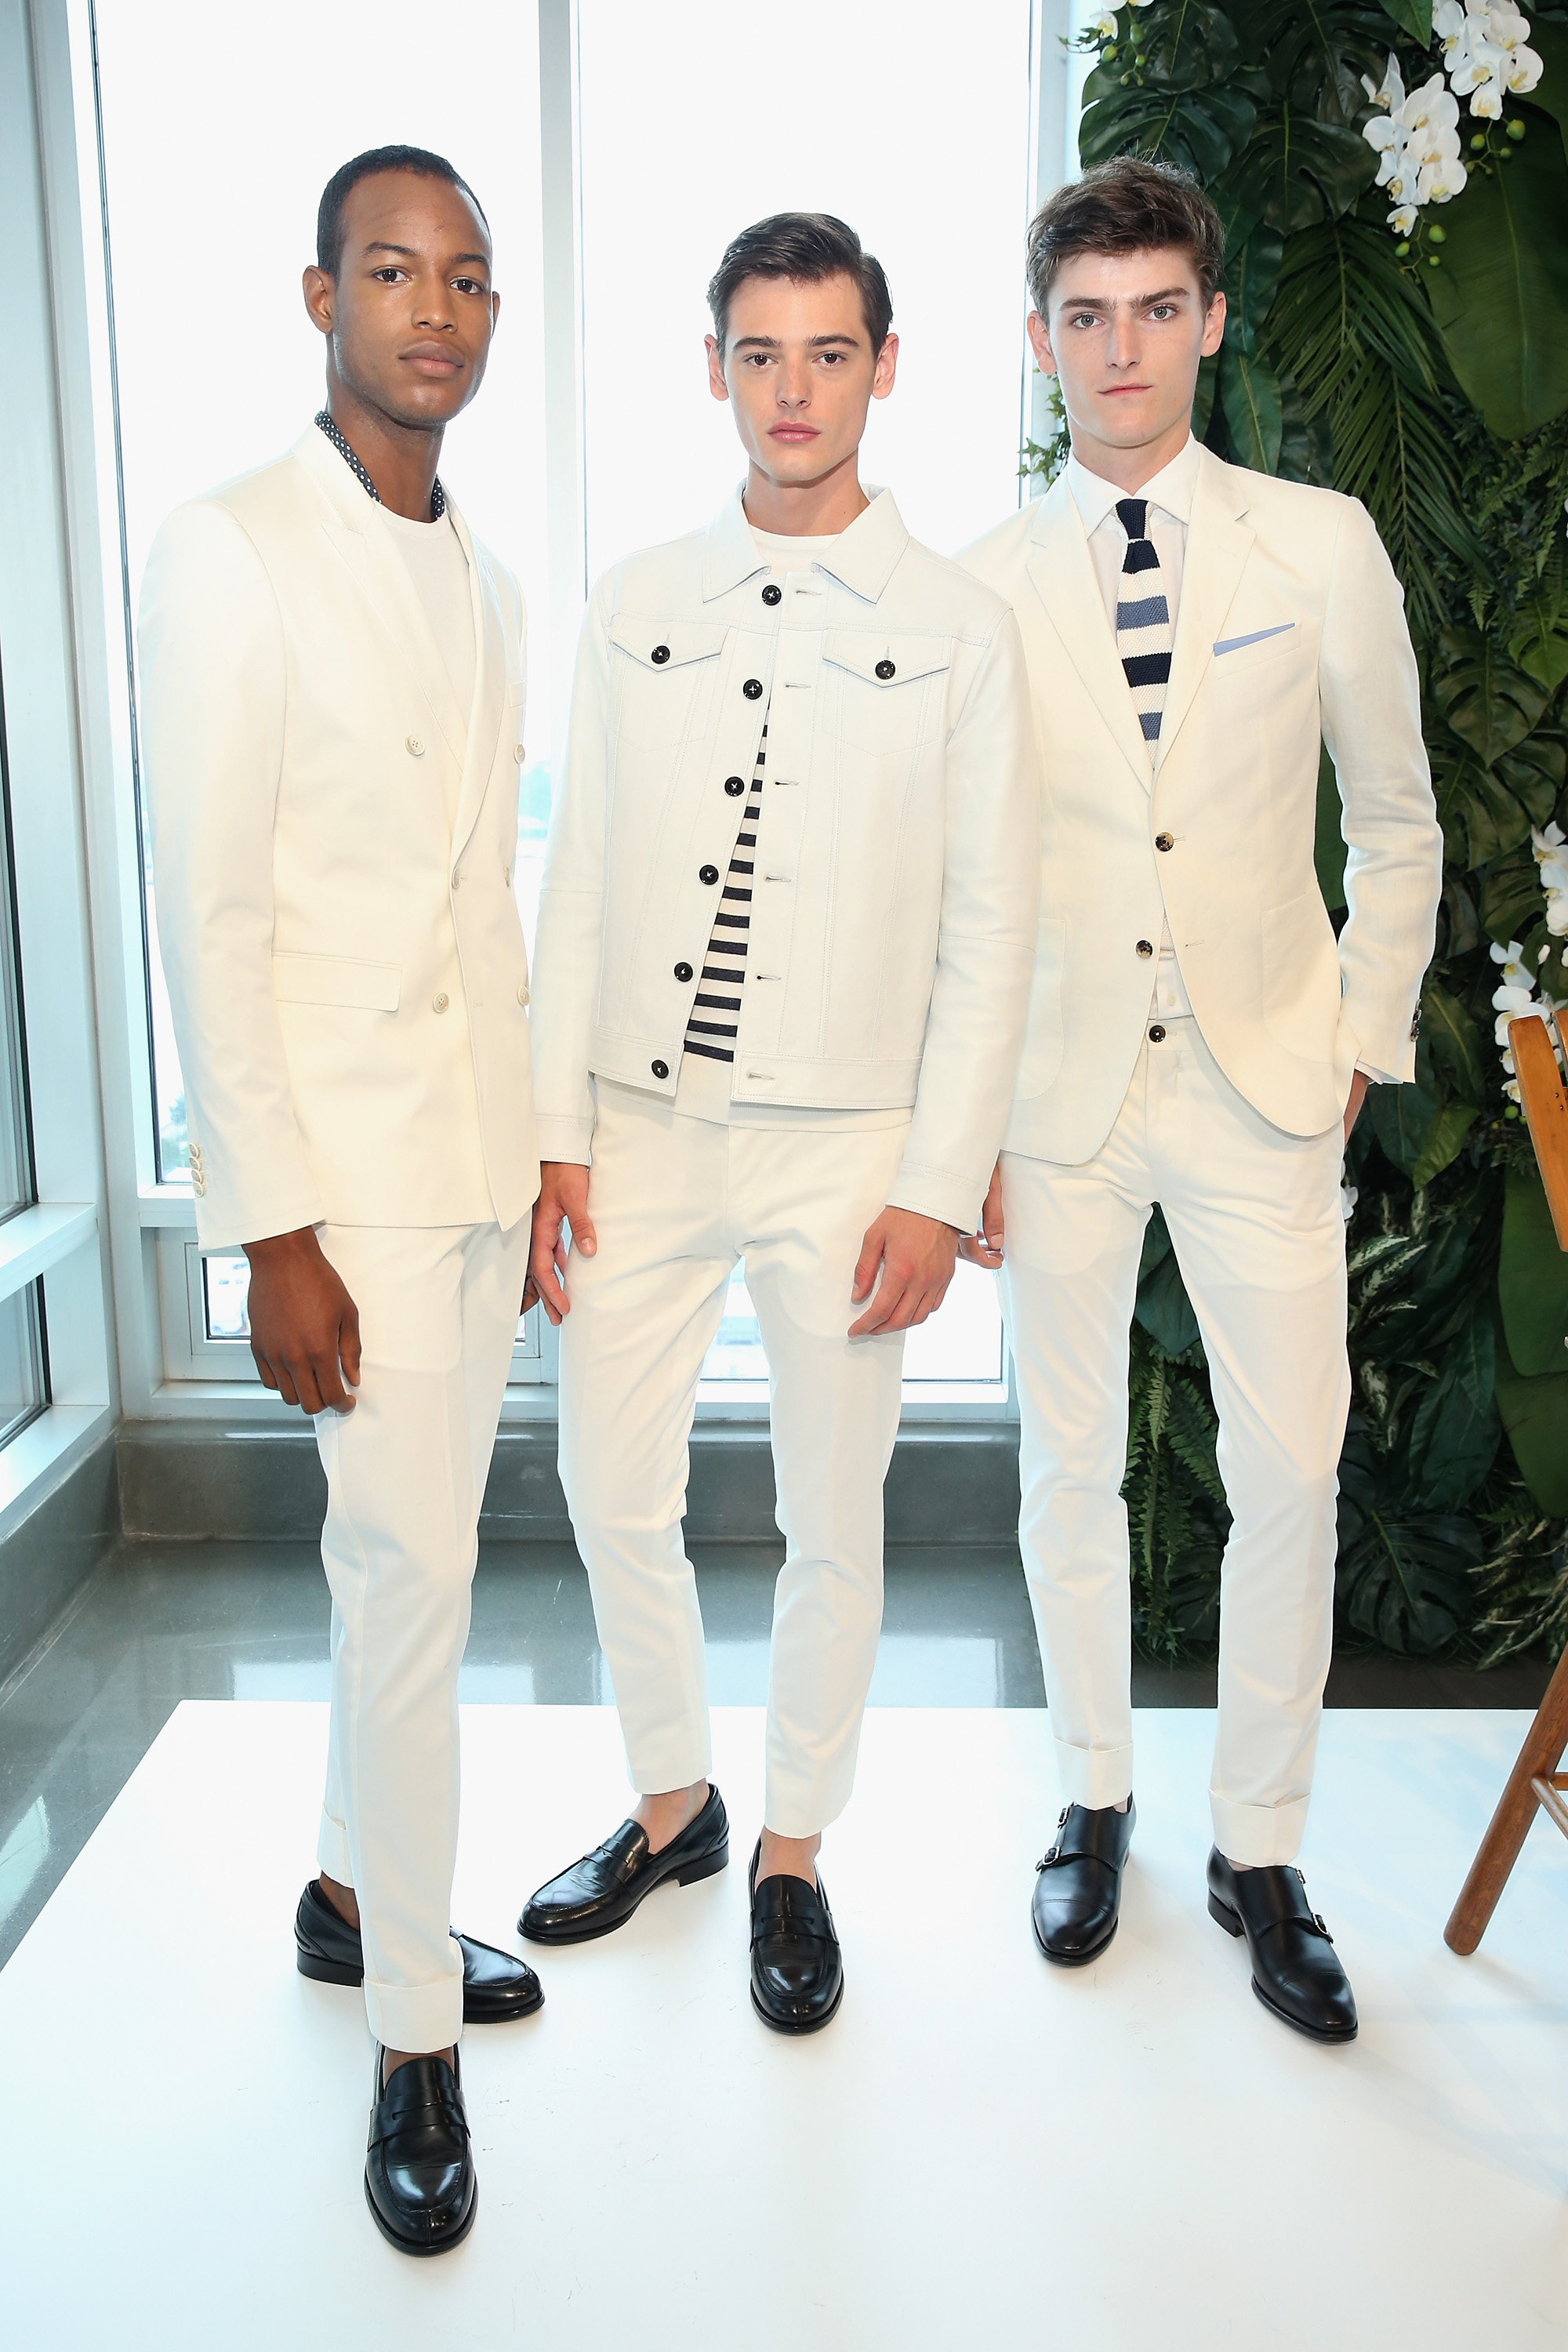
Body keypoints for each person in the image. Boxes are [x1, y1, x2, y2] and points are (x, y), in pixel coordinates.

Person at [522, 213, 1039, 2031]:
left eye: (829, 352)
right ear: (715, 368)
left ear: (883, 366)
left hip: (849, 1147)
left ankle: (793, 1849)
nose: (794, 389)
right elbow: (576, 873)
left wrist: (930, 1177)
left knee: (834, 1513)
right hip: (638, 1126)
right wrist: (549, 1132)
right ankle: (674, 1802)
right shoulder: (636, 600)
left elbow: (991, 928)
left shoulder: (959, 628)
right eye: (761, 352)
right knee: (605, 1483)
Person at [960, 156, 1442, 2042]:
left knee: (1287, 1472)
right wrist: (958, 1131)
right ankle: (1093, 1799)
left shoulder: (1316, 544)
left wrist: (1353, 1040)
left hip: (1261, 1084)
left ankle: (1260, 1843)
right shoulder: (987, 581)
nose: (1123, 348)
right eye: (1086, 316)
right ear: (1039, 343)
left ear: (1214, 321)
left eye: (1158, 308)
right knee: (1066, 1469)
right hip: (1057, 1091)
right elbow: (957, 877)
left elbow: (1395, 824)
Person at [139, 146, 542, 2254]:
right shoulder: (231, 548)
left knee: (413, 1575)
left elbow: (497, 892)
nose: (436, 312)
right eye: (394, 272)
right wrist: (267, 1225)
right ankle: (411, 2042)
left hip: (470, 1170)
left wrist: (542, 1151)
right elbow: (205, 914)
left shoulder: (490, 576)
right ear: (320, 299)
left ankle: (337, 1891)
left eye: (470, 280)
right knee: (408, 1596)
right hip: (346, 1197)